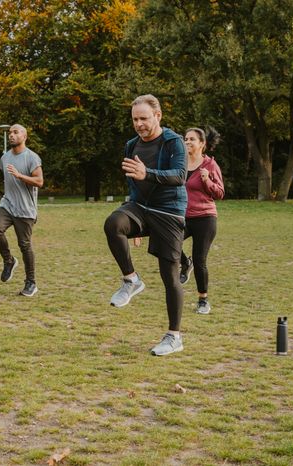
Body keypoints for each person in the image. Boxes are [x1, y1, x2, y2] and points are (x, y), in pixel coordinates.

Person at [103, 94, 188, 356]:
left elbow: (179, 176)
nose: (139, 124)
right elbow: (134, 182)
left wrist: (147, 173)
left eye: (144, 118)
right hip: (140, 207)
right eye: (135, 119)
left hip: (169, 211)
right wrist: (134, 222)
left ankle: (174, 336)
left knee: (169, 275)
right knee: (113, 223)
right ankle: (131, 280)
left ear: (158, 116)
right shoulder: (131, 145)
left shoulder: (174, 142)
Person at [0, 124, 43, 296]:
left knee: (24, 245)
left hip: (26, 209)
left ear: (24, 136)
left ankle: (31, 283)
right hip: (7, 204)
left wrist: (20, 175)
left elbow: (40, 181)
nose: (11, 135)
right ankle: (9, 260)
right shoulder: (4, 158)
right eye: (10, 132)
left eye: (15, 132)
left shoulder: (32, 158)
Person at [180, 127, 224, 314]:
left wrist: (207, 181)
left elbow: (220, 193)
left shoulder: (210, 165)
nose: (188, 142)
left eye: (192, 139)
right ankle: (184, 263)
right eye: (186, 138)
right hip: (182, 216)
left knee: (200, 260)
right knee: (164, 242)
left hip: (205, 218)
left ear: (202, 144)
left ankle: (203, 300)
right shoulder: (180, 163)